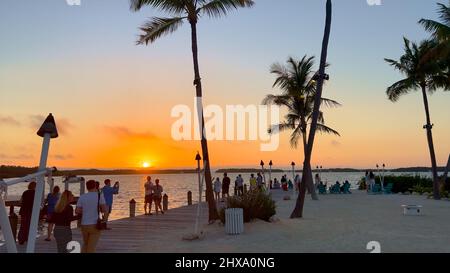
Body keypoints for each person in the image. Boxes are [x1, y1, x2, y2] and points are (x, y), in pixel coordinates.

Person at [76, 180, 107, 253]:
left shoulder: (82, 196)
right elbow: (104, 209)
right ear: (95, 186)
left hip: (84, 225)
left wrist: (86, 210)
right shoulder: (99, 195)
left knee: (86, 244)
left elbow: (77, 211)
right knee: (91, 247)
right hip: (94, 224)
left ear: (87, 187)